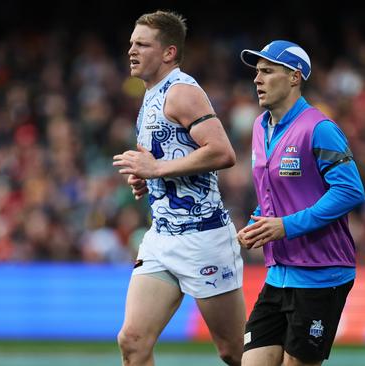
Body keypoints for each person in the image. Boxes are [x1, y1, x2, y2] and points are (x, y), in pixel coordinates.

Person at [112, 10, 245, 366]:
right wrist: (147, 177)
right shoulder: (150, 96)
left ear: (169, 53)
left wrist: (157, 168)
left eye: (142, 44)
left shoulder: (182, 91)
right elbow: (168, 158)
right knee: (133, 341)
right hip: (161, 237)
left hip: (203, 239)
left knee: (234, 353)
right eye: (131, 43)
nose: (131, 50)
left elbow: (223, 152)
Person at [236, 40, 365, 366]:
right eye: (256, 72)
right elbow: (273, 196)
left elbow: (350, 191)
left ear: (294, 76)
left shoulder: (319, 128)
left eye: (267, 71)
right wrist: (257, 225)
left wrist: (285, 227)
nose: (257, 79)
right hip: (278, 274)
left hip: (321, 274)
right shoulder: (258, 127)